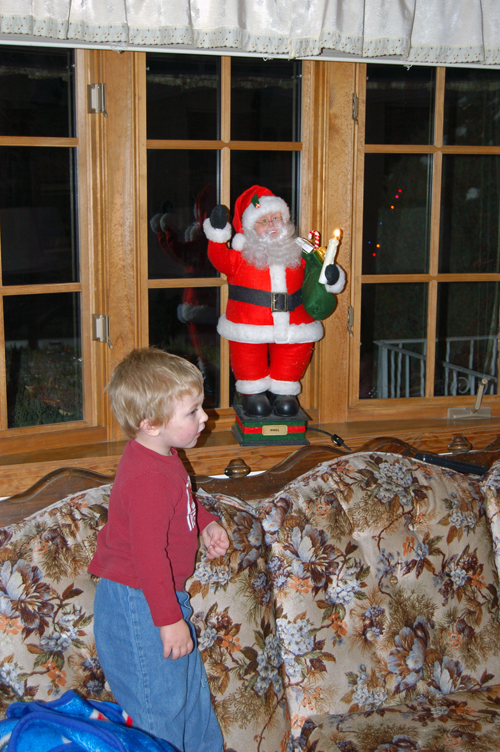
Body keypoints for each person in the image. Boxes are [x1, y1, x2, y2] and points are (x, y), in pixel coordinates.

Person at [88, 347, 228, 752]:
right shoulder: (146, 478)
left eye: (201, 406)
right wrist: (168, 620)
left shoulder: (163, 456)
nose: (205, 417)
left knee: (193, 703)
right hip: (139, 603)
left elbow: (180, 500)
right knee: (160, 713)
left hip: (161, 600)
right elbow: (148, 557)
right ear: (150, 424)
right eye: (193, 411)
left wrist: (204, 522)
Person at [203, 185, 346, 418]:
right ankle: (253, 393)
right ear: (250, 228)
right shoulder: (239, 255)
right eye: (263, 220)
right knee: (248, 357)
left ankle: (284, 392)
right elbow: (218, 257)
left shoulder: (299, 250)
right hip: (248, 324)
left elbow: (317, 271)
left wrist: (331, 276)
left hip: (295, 324)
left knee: (292, 357)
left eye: (276, 218)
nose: (271, 224)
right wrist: (218, 232)